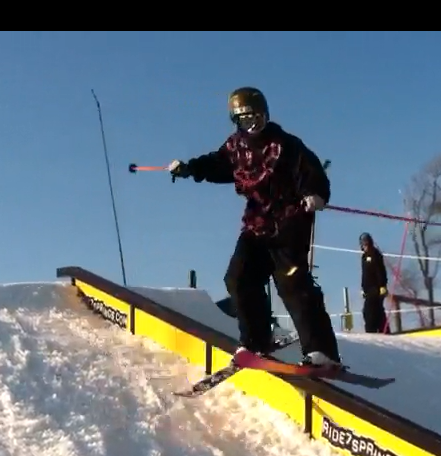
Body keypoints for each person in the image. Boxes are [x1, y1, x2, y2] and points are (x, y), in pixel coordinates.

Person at [167, 86, 342, 370]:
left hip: (289, 223)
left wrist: (315, 194)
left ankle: (322, 353)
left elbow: (311, 172)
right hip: (256, 224)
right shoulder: (235, 147)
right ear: (235, 121)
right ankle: (257, 341)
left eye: (255, 118)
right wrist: (189, 168)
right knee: (238, 278)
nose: (251, 125)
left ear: (265, 115)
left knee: (293, 285)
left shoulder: (284, 144)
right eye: (244, 120)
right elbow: (217, 164)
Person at [359, 232, 389, 333]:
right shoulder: (364, 257)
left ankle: (373, 331)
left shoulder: (375, 254)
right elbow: (365, 275)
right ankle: (382, 330)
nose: (365, 246)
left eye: (366, 244)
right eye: (363, 244)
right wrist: (363, 288)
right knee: (376, 311)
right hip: (368, 289)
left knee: (370, 310)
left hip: (376, 288)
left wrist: (382, 285)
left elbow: (380, 271)